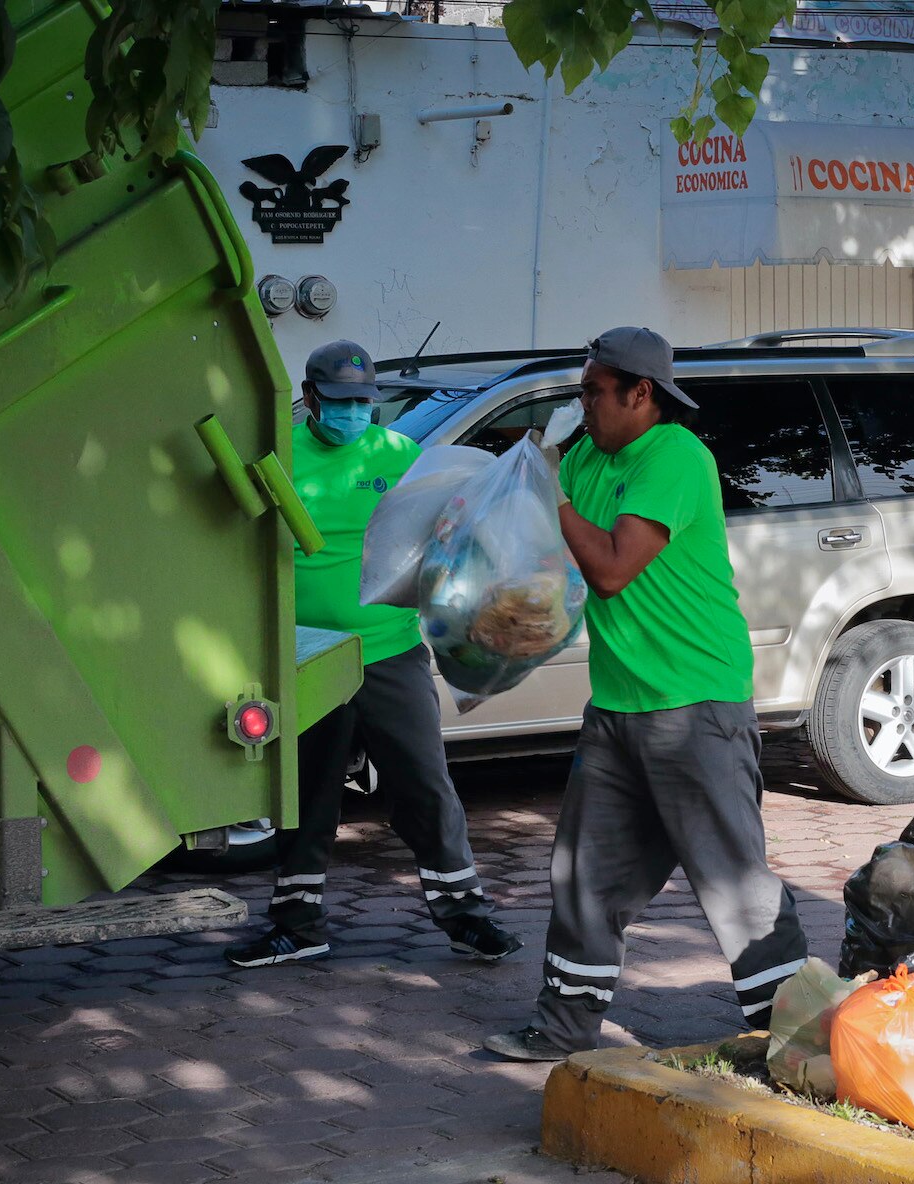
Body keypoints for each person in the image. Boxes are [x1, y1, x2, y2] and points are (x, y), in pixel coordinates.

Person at [483, 327, 808, 1059]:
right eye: (582, 389)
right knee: (584, 875)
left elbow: (611, 568)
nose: (583, 403)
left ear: (642, 393)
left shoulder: (676, 458)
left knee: (734, 884)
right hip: (619, 709)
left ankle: (799, 1035)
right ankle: (563, 1027)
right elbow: (558, 557)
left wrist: (549, 492)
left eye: (595, 391)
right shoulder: (592, 459)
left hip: (694, 705)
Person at [225, 340, 521, 968]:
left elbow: (451, 532)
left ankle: (467, 916)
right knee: (307, 794)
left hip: (390, 650)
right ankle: (298, 924)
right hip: (305, 653)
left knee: (424, 785)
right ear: (310, 398)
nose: (354, 413)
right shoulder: (278, 450)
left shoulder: (400, 455)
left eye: (364, 402)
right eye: (340, 402)